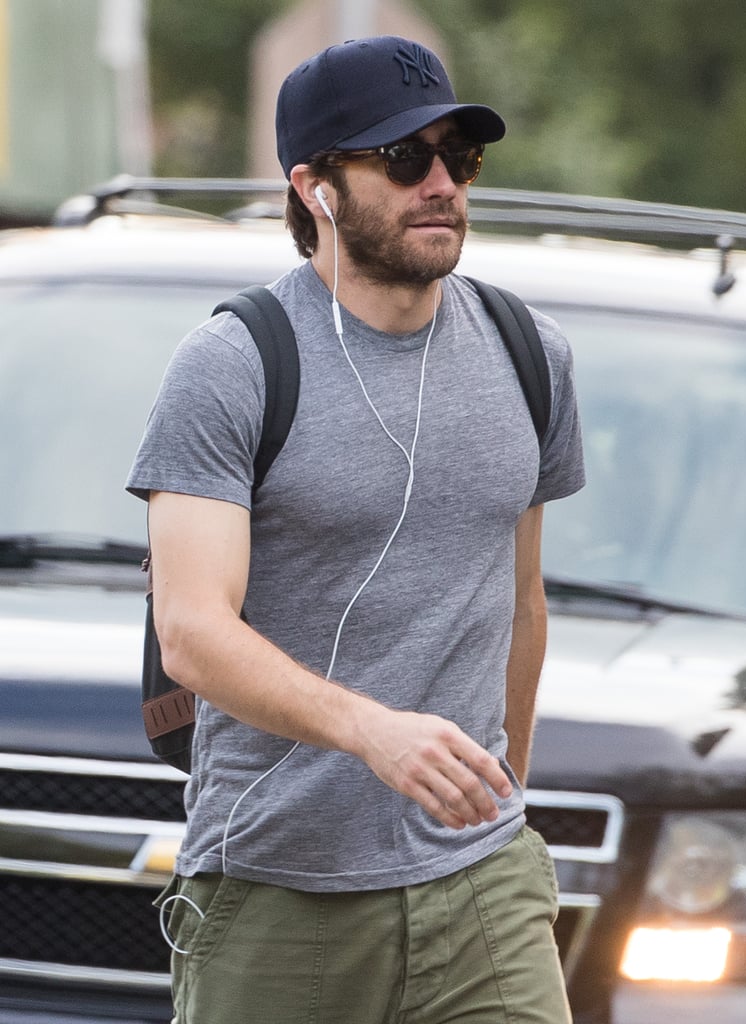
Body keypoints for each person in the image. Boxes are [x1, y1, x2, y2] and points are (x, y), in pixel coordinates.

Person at [127, 34, 584, 1024]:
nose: (439, 184)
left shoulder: (528, 355)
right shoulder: (233, 362)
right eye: (401, 158)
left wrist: (502, 796)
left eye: (455, 158)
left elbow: (520, 599)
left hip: (482, 886)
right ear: (315, 186)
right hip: (279, 889)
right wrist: (371, 732)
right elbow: (193, 632)